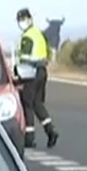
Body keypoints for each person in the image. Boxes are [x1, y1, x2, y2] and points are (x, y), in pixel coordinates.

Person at [15, 8, 58, 149]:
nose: (21, 23)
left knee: (27, 103)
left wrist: (17, 74)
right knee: (38, 103)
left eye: (22, 20)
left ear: (29, 19)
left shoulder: (27, 37)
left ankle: (29, 138)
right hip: (42, 71)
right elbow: (48, 54)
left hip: (30, 72)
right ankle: (50, 130)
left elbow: (25, 58)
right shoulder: (39, 34)